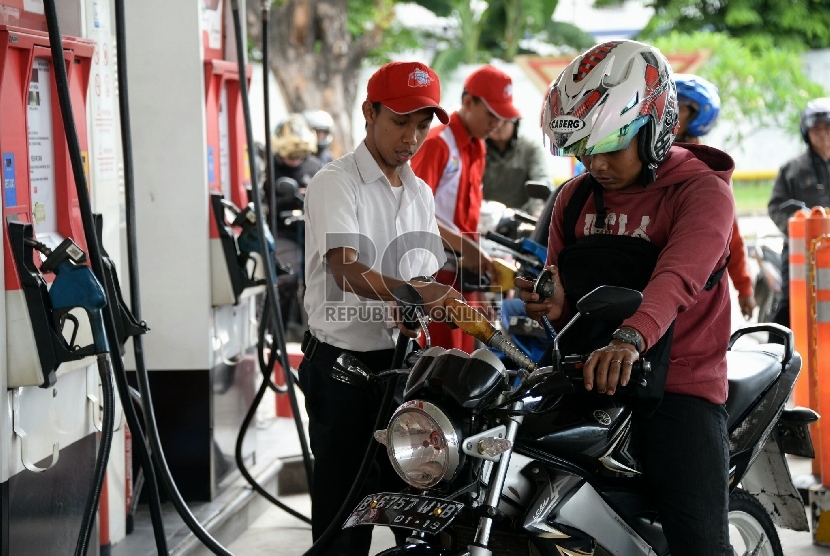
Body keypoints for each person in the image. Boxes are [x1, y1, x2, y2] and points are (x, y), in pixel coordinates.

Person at [517, 40, 735, 555]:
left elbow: (677, 278)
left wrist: (629, 339)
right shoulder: (573, 198)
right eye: (584, 151)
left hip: (680, 386)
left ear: (654, 128)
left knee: (700, 543)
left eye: (611, 148)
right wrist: (553, 302)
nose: (596, 163)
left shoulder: (701, 193)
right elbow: (563, 285)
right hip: (586, 375)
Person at [300, 60, 463, 556]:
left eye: (422, 124)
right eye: (400, 121)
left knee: (416, 512)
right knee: (345, 519)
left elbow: (423, 272)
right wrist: (408, 293)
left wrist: (431, 293)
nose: (412, 137)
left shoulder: (417, 192)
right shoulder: (337, 182)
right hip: (345, 371)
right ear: (368, 113)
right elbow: (345, 268)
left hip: (403, 373)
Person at [410, 65, 518, 351]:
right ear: (468, 102)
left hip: (464, 274)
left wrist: (478, 279)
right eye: (492, 113)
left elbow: (466, 217)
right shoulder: (437, 144)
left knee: (463, 361)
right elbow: (412, 214)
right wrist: (466, 248)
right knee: (439, 364)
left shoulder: (477, 146)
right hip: (435, 276)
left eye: (502, 116)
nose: (497, 123)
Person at [674, 73, 757, 320]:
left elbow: (730, 233)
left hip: (696, 289)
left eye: (677, 108)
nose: (665, 114)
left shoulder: (709, 167)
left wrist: (744, 287)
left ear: (700, 115)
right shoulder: (640, 157)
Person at [768, 97, 830, 329]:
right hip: (799, 250)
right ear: (807, 132)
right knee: (789, 303)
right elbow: (775, 206)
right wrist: (796, 229)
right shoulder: (792, 170)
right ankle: (777, 357)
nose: (823, 134)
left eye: (827, 128)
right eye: (817, 129)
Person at [268, 114, 324, 340]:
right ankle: (276, 333)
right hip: (283, 232)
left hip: (311, 233)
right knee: (286, 277)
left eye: (299, 155)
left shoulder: (316, 166)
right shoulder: (269, 169)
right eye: (290, 155)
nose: (295, 159)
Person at [482, 118, 551, 215]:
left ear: (515, 122)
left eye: (505, 120)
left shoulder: (530, 148)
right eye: (495, 119)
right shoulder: (478, 148)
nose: (499, 125)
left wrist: (539, 211)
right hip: (485, 217)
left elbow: (541, 180)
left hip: (523, 218)